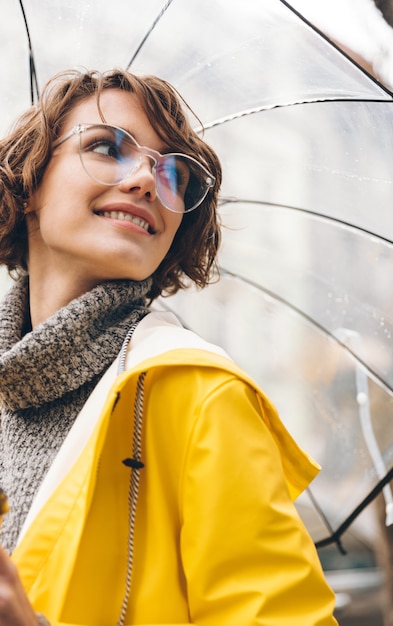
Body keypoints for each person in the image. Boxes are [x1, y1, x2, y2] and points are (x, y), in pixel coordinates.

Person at [0, 68, 338, 625]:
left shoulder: (199, 395)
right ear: (29, 180)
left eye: (174, 174)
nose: (147, 182)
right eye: (108, 147)